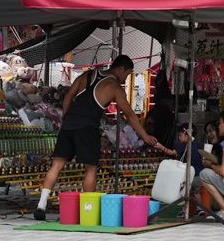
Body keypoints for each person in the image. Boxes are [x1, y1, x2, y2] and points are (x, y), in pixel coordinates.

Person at [34, 55, 162, 221]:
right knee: (91, 168)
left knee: (57, 165)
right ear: (120, 69)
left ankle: (41, 205)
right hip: (87, 128)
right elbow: (129, 114)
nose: (125, 78)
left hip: (69, 124)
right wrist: (145, 136)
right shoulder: (114, 87)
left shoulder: (87, 75)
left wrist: (66, 118)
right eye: (127, 74)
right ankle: (87, 211)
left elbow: (68, 96)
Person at [163, 124, 203, 190]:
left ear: (187, 134)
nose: (179, 138)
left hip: (190, 176)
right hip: (199, 175)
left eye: (180, 135)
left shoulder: (184, 145)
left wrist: (161, 147)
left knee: (183, 191)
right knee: (196, 192)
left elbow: (171, 152)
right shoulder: (197, 145)